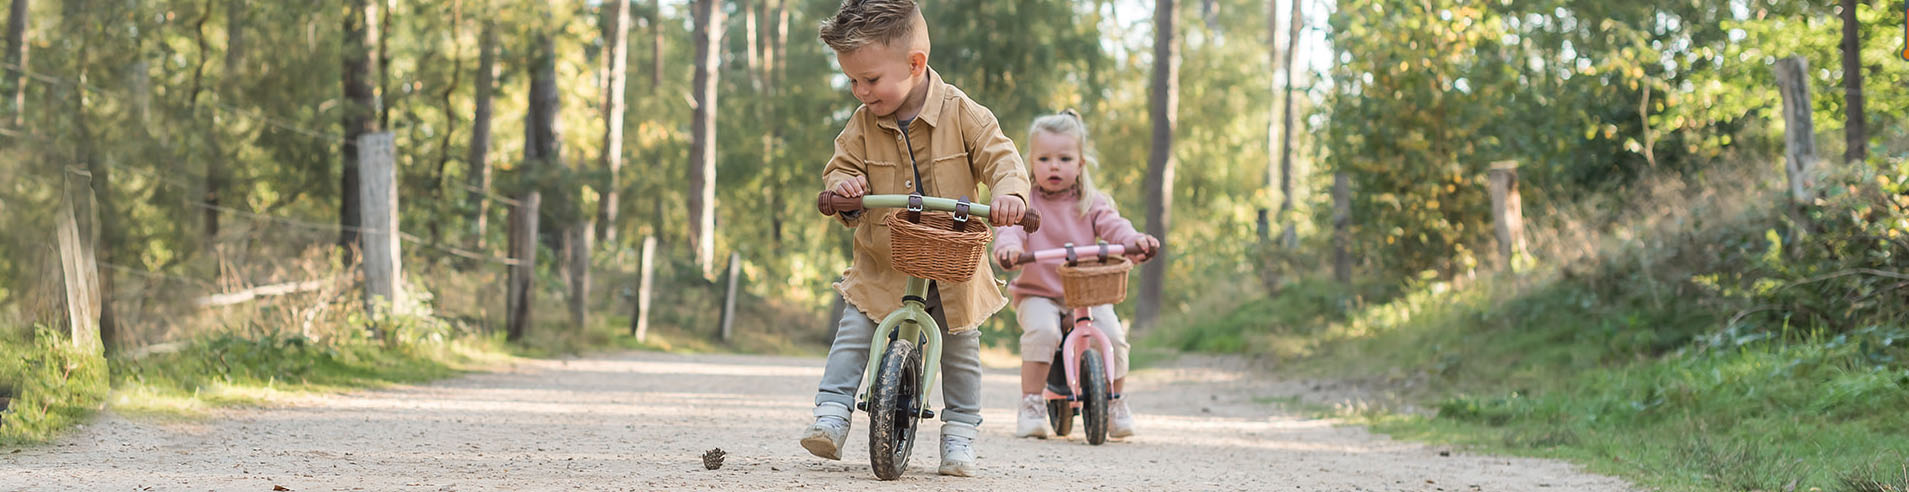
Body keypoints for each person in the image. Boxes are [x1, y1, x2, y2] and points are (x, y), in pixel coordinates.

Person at [800, 0, 1032, 477]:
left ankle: (960, 435)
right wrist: (843, 187)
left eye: (870, 80)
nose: (861, 92)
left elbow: (1001, 158)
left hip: (953, 261)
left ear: (915, 64)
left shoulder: (963, 112)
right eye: (852, 81)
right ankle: (832, 414)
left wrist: (1010, 194)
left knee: (962, 346)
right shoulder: (863, 125)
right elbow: (841, 166)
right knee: (856, 328)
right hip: (886, 259)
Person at [991, 109, 1159, 440]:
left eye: (1065, 158)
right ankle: (1031, 404)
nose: (1054, 166)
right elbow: (1011, 231)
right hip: (1038, 291)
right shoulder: (1025, 201)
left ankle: (1115, 402)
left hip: (1087, 292)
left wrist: (1133, 241)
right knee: (1042, 330)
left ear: (1081, 163)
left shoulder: (1092, 202)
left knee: (1111, 332)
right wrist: (1007, 250)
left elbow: (1116, 227)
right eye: (1045, 158)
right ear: (1031, 162)